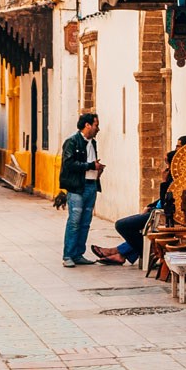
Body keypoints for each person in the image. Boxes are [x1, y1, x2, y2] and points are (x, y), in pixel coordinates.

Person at [94, 136, 186, 265]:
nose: (176, 149)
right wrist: (150, 205)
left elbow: (168, 199)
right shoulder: (175, 169)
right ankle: (121, 253)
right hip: (157, 210)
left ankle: (151, 253)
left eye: (179, 146)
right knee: (137, 227)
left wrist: (164, 182)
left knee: (122, 225)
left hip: (166, 214)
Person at [59, 113, 105, 267]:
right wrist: (90, 166)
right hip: (77, 186)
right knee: (74, 221)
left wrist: (97, 170)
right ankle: (68, 255)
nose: (98, 128)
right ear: (87, 125)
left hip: (91, 185)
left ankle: (78, 254)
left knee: (85, 222)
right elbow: (69, 164)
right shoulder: (72, 142)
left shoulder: (93, 143)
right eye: (96, 125)